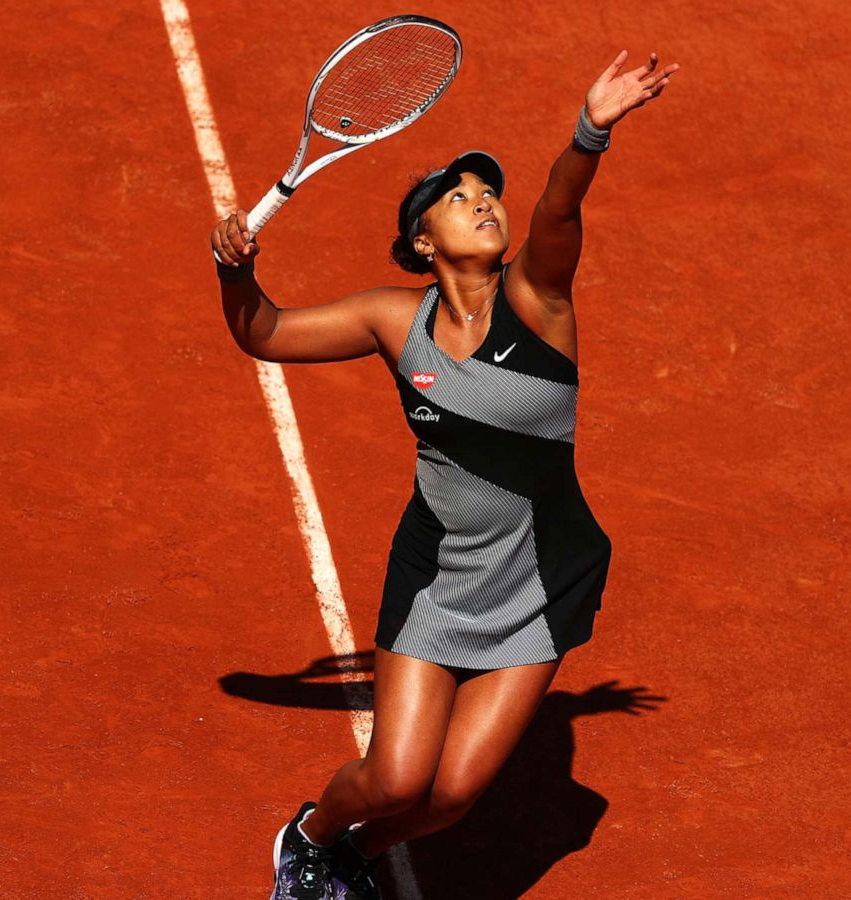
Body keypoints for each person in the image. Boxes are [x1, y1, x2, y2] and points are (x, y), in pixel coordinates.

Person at [211, 49, 678, 900]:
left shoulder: (540, 301)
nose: (483, 202)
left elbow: (560, 207)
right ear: (423, 242)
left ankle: (352, 861)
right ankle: (308, 838)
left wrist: (590, 131)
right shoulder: (394, 321)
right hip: (440, 574)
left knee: (453, 795)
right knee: (394, 778)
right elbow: (264, 333)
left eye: (485, 192)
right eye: (457, 199)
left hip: (542, 577)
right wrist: (234, 268)